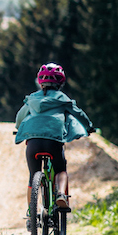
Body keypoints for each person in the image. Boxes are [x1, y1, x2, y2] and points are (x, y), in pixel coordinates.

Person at [14, 62, 93, 213]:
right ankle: (61, 195)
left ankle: (32, 212)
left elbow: (20, 117)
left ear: (40, 81)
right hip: (53, 142)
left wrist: (19, 128)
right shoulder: (62, 99)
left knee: (32, 176)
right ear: (61, 82)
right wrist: (89, 127)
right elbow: (79, 114)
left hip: (33, 143)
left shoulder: (31, 99)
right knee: (60, 169)